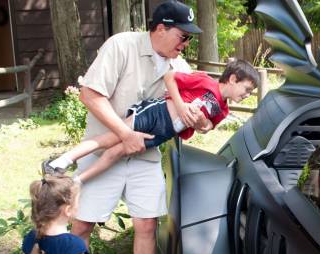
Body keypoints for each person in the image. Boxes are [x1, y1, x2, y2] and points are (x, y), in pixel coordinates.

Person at [68, 0, 201, 254]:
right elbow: (90, 95)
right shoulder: (121, 46)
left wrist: (199, 118)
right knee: (82, 224)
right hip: (101, 152)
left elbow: (194, 105)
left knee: (146, 225)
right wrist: (123, 134)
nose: (186, 44)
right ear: (161, 28)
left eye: (189, 39)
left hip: (144, 157)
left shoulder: (179, 67)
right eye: (183, 36)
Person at [43, 60, 259, 183]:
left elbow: (208, 128)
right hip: (156, 113)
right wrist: (181, 105)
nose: (248, 95)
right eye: (247, 89)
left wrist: (202, 122)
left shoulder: (223, 109)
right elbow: (170, 77)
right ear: (233, 79)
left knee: (117, 152)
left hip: (165, 132)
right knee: (111, 138)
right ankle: (60, 161)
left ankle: (77, 182)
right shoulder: (205, 81)